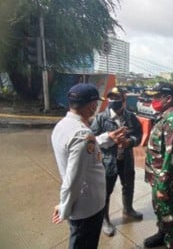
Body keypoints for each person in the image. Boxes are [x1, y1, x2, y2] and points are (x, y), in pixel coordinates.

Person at [51, 83, 126, 248]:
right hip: (87, 209)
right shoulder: (82, 134)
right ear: (92, 105)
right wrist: (64, 207)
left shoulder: (63, 125)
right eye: (97, 103)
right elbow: (73, 180)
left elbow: (84, 149)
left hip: (83, 205)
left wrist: (107, 137)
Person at [91, 87, 143, 237]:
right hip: (108, 161)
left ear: (124, 101)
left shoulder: (131, 117)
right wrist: (110, 139)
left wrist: (130, 141)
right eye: (111, 98)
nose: (113, 101)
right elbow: (92, 140)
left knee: (128, 185)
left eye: (117, 98)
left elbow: (139, 134)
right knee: (106, 191)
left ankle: (128, 209)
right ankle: (105, 218)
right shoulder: (101, 118)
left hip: (126, 159)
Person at [143, 82, 173, 249]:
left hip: (166, 179)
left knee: (169, 213)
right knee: (161, 210)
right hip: (158, 176)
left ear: (168, 98)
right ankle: (162, 234)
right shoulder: (163, 117)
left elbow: (172, 156)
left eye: (156, 97)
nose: (153, 100)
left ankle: (172, 241)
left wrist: (162, 184)